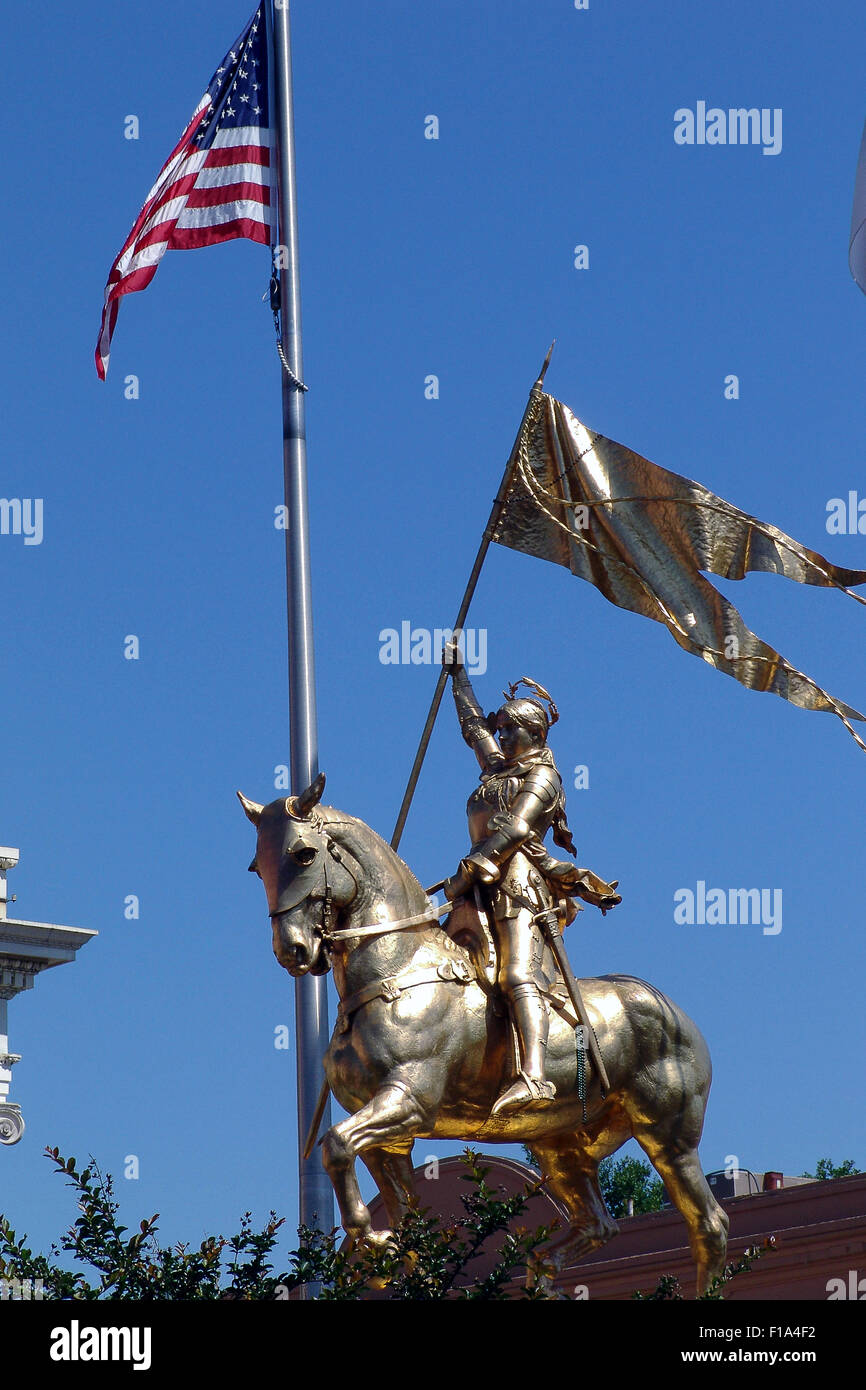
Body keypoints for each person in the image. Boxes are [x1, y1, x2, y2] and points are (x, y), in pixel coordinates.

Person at [441, 640, 620, 1116]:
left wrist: (470, 867)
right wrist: (457, 675)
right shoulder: (499, 768)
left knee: (517, 973)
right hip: (479, 884)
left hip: (519, 886)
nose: (498, 739)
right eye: (499, 731)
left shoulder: (543, 778)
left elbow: (518, 829)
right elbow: (471, 727)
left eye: (508, 731)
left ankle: (535, 1076)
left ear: (532, 732)